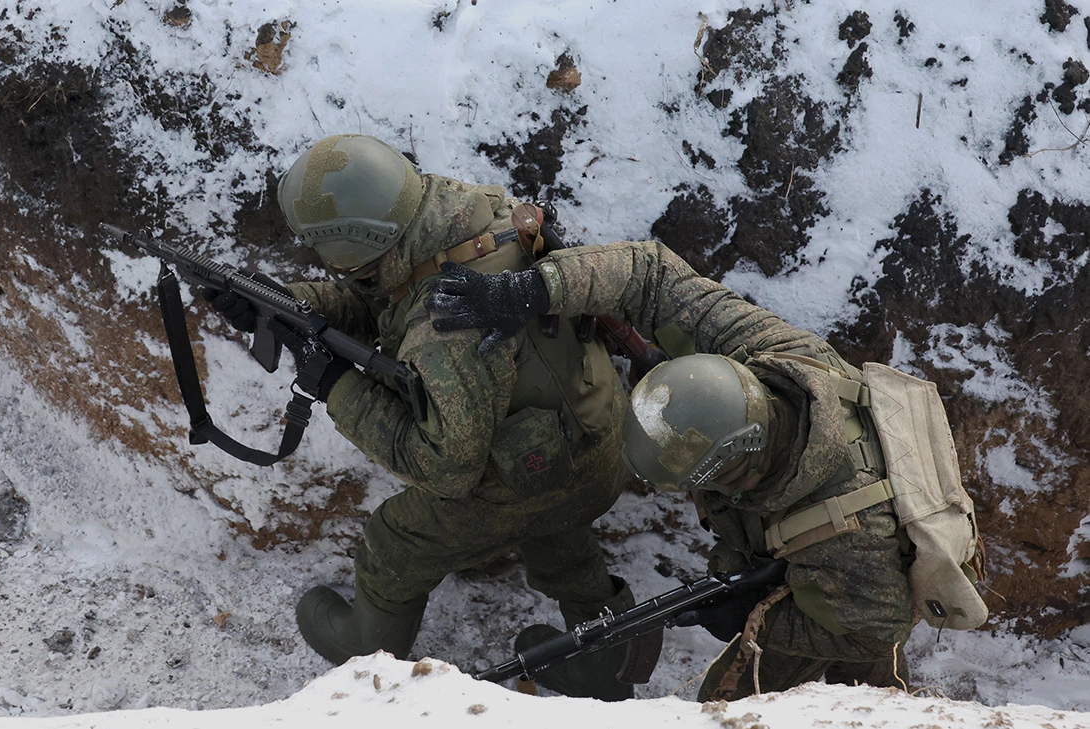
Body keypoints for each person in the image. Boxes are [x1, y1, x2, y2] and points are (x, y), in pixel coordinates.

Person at [206, 134, 639, 701]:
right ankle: (605, 664)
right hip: (599, 438)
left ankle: (365, 648)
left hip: (533, 477)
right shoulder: (469, 219)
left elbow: (448, 469)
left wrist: (336, 385)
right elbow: (388, 299)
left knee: (394, 542)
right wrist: (284, 303)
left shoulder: (445, 328)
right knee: (562, 539)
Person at [424, 240, 919, 700]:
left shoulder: (848, 532)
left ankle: (885, 701)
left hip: (863, 578)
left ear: (732, 465)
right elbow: (652, 273)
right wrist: (536, 288)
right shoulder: (762, 347)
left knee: (729, 706)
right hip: (838, 560)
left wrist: (753, 616)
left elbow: (878, 629)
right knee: (862, 663)